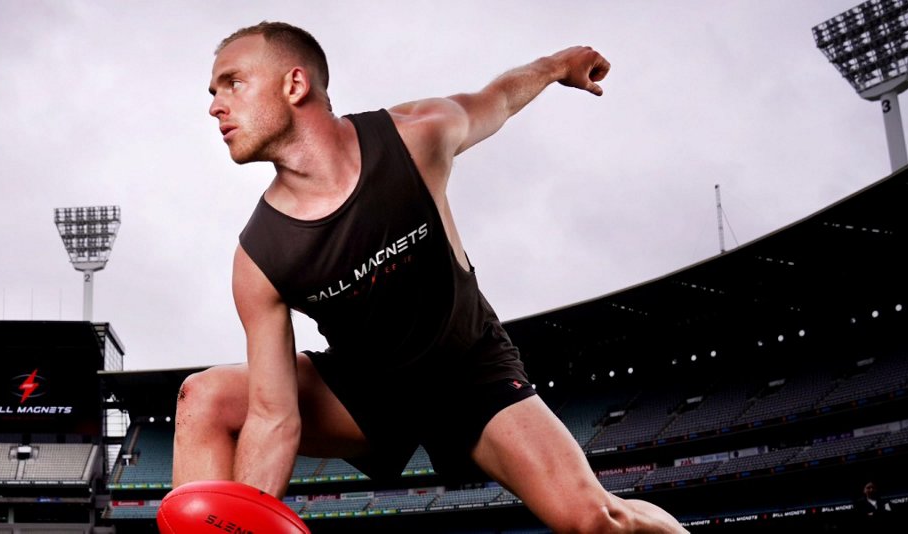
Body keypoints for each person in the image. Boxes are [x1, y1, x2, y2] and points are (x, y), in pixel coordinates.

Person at [173, 21, 688, 533]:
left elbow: (499, 99)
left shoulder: (417, 136)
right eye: (214, 92)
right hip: (367, 392)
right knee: (205, 398)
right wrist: (243, 522)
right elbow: (272, 415)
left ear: (294, 84)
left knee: (597, 519)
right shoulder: (259, 257)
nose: (215, 106)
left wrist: (557, 66)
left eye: (232, 83)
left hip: (469, 373)